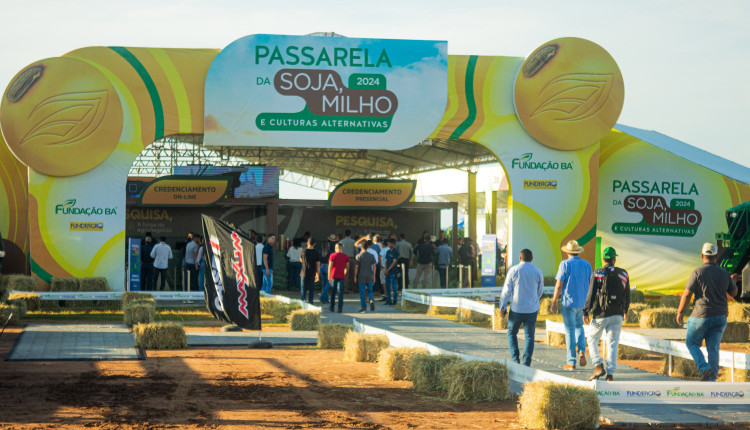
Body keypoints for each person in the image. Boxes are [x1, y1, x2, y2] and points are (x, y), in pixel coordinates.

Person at [677, 242, 739, 381]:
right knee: (713, 349)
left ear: (702, 255)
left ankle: (704, 369)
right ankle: (712, 383)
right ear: (716, 256)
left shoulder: (697, 272)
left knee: (691, 344)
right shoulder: (724, 273)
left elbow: (687, 294)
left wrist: (680, 311)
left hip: (700, 316)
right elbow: (734, 292)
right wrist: (732, 281)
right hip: (720, 317)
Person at [583, 247, 630, 381]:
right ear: (614, 259)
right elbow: (627, 294)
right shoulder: (623, 273)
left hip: (601, 314)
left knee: (592, 339)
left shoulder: (597, 273)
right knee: (612, 343)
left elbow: (591, 294)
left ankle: (598, 365)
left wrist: (586, 311)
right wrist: (625, 310)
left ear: (603, 259)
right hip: (617, 314)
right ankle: (610, 374)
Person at [551, 240, 593, 371]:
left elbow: (559, 285)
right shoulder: (587, 264)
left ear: (567, 252)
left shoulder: (564, 264)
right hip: (583, 302)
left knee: (569, 330)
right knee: (579, 327)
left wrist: (553, 301)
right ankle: (581, 351)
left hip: (568, 302)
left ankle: (571, 361)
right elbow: (591, 283)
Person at [499, 249, 544, 366]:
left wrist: (502, 306)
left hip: (516, 308)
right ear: (532, 259)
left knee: (512, 332)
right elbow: (540, 291)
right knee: (529, 336)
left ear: (520, 258)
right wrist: (534, 301)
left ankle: (515, 359)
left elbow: (506, 291)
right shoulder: (538, 271)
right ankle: (526, 362)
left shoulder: (513, 270)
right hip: (532, 309)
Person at [355, 240, 378, 313]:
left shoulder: (358, 256)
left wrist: (355, 276)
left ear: (361, 248)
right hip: (369, 275)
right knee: (370, 290)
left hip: (361, 276)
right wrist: (374, 276)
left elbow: (356, 267)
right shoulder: (371, 256)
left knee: (362, 292)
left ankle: (364, 307)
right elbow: (374, 267)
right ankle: (371, 299)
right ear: (367, 247)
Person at [328, 243, 349, 313]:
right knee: (340, 293)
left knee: (333, 292)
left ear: (335, 248)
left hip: (333, 275)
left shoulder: (332, 255)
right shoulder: (345, 256)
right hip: (341, 276)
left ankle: (332, 306)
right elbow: (347, 267)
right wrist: (344, 272)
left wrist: (329, 277)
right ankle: (340, 308)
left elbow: (330, 266)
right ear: (341, 248)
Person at [300, 238, 321, 304]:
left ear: (307, 243)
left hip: (304, 272)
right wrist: (317, 274)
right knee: (311, 290)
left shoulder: (303, 251)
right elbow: (318, 265)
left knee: (303, 289)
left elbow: (301, 260)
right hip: (312, 273)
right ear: (314, 244)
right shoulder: (316, 253)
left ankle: (303, 303)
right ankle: (310, 303)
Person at [319, 234, 335, 304]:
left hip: (321, 266)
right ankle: (323, 297)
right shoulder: (331, 252)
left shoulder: (320, 252)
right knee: (329, 283)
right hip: (328, 267)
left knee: (323, 284)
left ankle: (325, 299)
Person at [384, 239, 400, 305]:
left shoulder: (396, 252)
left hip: (393, 271)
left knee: (394, 286)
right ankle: (388, 300)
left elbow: (394, 262)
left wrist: (388, 270)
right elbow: (386, 261)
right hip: (387, 272)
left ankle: (395, 300)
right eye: (388, 244)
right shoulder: (388, 252)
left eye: (390, 244)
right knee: (387, 286)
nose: (389, 245)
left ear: (393, 244)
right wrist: (385, 270)